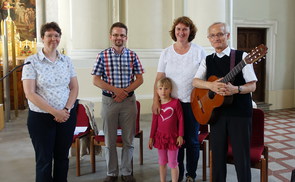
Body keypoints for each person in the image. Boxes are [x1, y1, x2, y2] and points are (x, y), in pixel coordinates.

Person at [192, 22, 257, 182]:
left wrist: (236, 89)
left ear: (228, 35)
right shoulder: (207, 60)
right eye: (213, 35)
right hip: (216, 115)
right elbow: (195, 82)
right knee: (218, 157)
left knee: (241, 158)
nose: (216, 38)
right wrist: (211, 85)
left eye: (220, 34)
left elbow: (252, 85)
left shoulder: (242, 57)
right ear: (209, 39)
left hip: (240, 114)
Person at [22, 22, 79, 182]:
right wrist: (55, 112)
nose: (53, 39)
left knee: (62, 158)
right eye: (49, 35)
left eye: (56, 35)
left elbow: (74, 87)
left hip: (66, 116)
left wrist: (66, 110)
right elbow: (30, 93)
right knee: (44, 160)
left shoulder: (66, 61)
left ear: (60, 38)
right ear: (42, 38)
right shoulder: (31, 61)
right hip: (41, 118)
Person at [152, 16, 206, 182]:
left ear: (190, 32)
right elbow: (159, 77)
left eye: (185, 29)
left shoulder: (199, 51)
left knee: (191, 140)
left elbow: (205, 77)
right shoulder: (166, 52)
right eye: (178, 29)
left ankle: (191, 175)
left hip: (193, 104)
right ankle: (179, 175)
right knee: (177, 142)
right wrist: (156, 100)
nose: (181, 32)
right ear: (174, 32)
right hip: (172, 104)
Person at [92, 22, 144, 182]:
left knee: (128, 139)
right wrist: (116, 91)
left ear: (126, 38)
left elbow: (140, 79)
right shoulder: (103, 55)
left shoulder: (132, 55)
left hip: (128, 103)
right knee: (110, 139)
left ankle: (127, 172)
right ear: (110, 37)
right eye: (115, 34)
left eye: (122, 35)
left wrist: (125, 92)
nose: (118, 38)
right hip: (109, 102)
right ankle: (111, 173)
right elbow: (96, 80)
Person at [149, 77, 184, 182]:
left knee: (173, 163)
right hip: (161, 138)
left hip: (173, 138)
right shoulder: (157, 105)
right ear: (156, 90)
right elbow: (154, 122)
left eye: (166, 88)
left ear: (171, 89)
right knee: (162, 162)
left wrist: (180, 135)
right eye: (160, 88)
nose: (163, 91)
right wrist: (151, 137)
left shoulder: (175, 103)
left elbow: (181, 119)